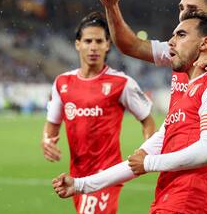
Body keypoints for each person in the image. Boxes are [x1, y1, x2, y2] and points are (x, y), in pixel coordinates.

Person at [53, 12, 207, 214]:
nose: (171, 42)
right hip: (166, 200)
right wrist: (80, 185)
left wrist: (149, 163)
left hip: (189, 204)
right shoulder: (183, 97)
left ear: (204, 43)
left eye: (181, 35)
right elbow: (136, 163)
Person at [98, 0, 207, 213]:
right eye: (181, 7)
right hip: (180, 164)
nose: (184, 12)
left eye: (192, 8)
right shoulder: (178, 50)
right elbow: (131, 45)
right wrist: (112, 7)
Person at [42, 11, 155, 214]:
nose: (93, 46)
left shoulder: (121, 83)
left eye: (98, 41)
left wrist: (145, 151)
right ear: (78, 44)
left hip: (107, 173)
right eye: (87, 41)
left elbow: (147, 120)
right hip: (76, 174)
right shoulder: (62, 83)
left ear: (107, 45)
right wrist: (47, 141)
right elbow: (52, 125)